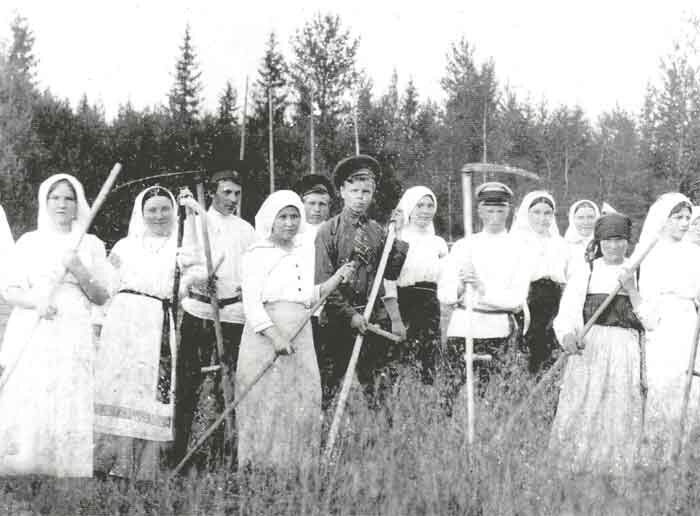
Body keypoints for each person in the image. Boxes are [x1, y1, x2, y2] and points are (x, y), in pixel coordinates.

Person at [0, 174, 109, 477]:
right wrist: (36, 302)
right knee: (34, 388)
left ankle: (65, 465)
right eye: (55, 198)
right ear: (45, 201)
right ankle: (24, 464)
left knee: (68, 388)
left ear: (78, 204)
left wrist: (78, 267)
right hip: (34, 323)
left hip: (73, 325)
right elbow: (9, 290)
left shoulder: (90, 244)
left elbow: (101, 295)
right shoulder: (30, 242)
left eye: (68, 198)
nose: (62, 204)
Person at [237, 190, 353, 473]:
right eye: (283, 217)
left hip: (300, 332)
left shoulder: (303, 251)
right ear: (270, 220)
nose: (289, 223)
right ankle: (260, 466)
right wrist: (276, 337)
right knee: (268, 397)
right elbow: (252, 305)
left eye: (294, 217)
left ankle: (295, 466)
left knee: (301, 396)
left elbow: (307, 296)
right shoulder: (256, 254)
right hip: (267, 335)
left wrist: (336, 278)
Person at [94, 186, 201, 482]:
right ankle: (110, 461)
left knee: (150, 389)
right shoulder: (124, 247)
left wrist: (193, 215)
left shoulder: (181, 246)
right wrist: (99, 322)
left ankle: (143, 467)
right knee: (120, 386)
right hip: (123, 320)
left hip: (156, 322)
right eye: (152, 210)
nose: (158, 215)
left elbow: (202, 268)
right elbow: (107, 284)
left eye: (165, 209)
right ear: (141, 213)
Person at [549, 213, 650, 479]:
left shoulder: (638, 270)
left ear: (628, 241)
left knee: (618, 405)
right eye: (608, 241)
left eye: (620, 240)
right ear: (599, 242)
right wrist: (567, 336)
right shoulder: (588, 270)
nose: (614, 246)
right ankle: (573, 470)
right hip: (590, 346)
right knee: (584, 402)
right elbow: (568, 312)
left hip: (625, 349)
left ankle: (615, 472)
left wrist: (633, 290)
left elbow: (651, 321)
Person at [173, 166, 255, 469]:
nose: (232, 199)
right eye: (226, 192)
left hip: (232, 314)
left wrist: (246, 286)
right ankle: (179, 451)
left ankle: (222, 453)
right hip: (200, 311)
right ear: (211, 193)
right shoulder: (195, 220)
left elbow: (252, 267)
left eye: (237, 193)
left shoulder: (246, 229)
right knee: (188, 382)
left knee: (227, 385)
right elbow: (186, 261)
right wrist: (200, 278)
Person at [315, 154, 408, 411]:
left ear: (373, 193)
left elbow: (390, 272)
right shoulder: (328, 231)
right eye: (354, 191)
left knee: (378, 389)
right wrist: (350, 316)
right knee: (330, 388)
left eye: (366, 191)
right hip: (338, 321)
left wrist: (397, 235)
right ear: (342, 192)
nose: (360, 197)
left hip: (373, 321)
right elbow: (324, 283)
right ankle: (326, 430)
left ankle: (379, 431)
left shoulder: (377, 231)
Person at [438, 182, 530, 413]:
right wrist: (461, 286)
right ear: (479, 211)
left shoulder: (520, 248)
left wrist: (481, 288)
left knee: (493, 397)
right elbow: (444, 294)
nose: (495, 216)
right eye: (489, 210)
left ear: (509, 211)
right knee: (448, 394)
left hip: (498, 329)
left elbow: (516, 299)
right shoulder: (463, 246)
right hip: (463, 327)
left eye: (500, 210)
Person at [636, 193, 700, 467]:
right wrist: (652, 325)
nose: (684, 223)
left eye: (687, 217)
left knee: (692, 385)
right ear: (664, 219)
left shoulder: (694, 252)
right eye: (678, 217)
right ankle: (656, 458)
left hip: (690, 323)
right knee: (664, 384)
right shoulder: (651, 252)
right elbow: (647, 299)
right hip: (663, 326)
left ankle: (686, 456)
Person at [385, 186, 447, 384]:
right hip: (403, 304)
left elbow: (446, 280)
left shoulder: (438, 243)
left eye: (430, 205)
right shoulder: (397, 238)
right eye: (419, 205)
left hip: (430, 306)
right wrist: (395, 318)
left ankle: (424, 398)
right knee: (399, 361)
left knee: (428, 362)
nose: (425, 211)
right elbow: (388, 279)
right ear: (409, 207)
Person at [511, 190, 568, 374]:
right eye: (536, 212)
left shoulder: (559, 243)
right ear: (526, 213)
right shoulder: (516, 241)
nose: (542, 218)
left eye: (547, 213)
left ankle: (547, 385)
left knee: (551, 347)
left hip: (554, 298)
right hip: (528, 299)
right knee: (528, 347)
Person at [293, 174, 335, 389]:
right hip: (300, 308)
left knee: (326, 367)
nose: (317, 209)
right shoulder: (293, 233)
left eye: (322, 204)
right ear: (302, 204)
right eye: (311, 203)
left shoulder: (334, 232)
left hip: (328, 307)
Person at [563, 199, 599, 279]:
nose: (586, 222)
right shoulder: (563, 247)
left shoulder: (604, 244)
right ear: (572, 219)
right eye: (580, 218)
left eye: (590, 217)